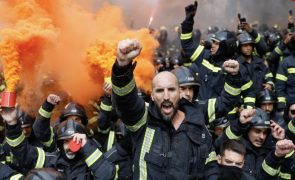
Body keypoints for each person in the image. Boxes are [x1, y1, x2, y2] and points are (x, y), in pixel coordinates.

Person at [111, 38, 243, 179]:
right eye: (160, 91)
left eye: (172, 90)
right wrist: (122, 67)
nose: (166, 96)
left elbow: (209, 166)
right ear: (152, 96)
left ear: (179, 93)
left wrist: (234, 77)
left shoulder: (198, 122)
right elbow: (126, 102)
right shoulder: (143, 120)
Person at [180, 1, 255, 109]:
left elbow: (249, 92)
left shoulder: (236, 68)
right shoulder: (204, 56)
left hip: (224, 119)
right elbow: (187, 45)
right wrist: (188, 20)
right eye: (212, 42)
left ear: (226, 46)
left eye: (216, 43)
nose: (212, 45)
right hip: (201, 114)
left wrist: (247, 110)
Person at [1, 108, 114, 179]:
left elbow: (108, 176)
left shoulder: (93, 162)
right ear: (59, 143)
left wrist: (87, 147)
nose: (69, 146)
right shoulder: (51, 161)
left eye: (74, 140)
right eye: (65, 141)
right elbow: (24, 152)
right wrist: (12, 124)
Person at [215, 108, 288, 179]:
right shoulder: (236, 149)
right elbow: (218, 145)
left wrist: (282, 140)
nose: (262, 137)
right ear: (247, 130)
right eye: (257, 131)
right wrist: (239, 125)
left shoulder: (272, 151)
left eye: (265, 132)